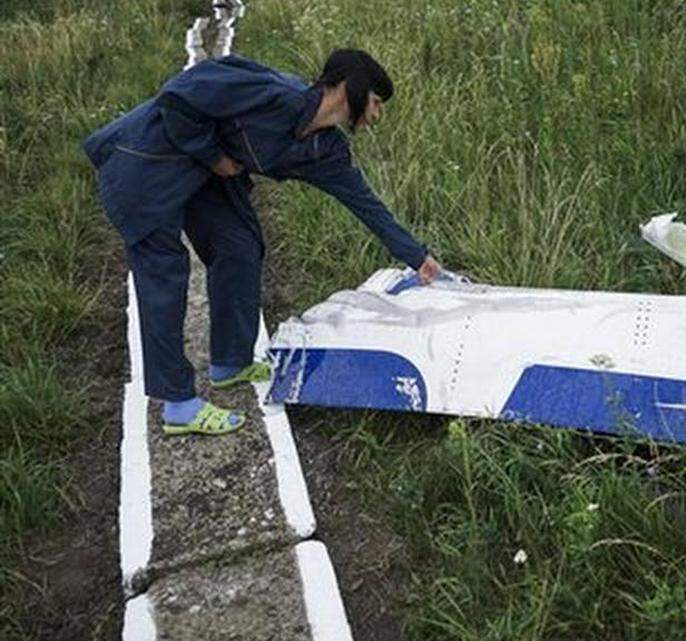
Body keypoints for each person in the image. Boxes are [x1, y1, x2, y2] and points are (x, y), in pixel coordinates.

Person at [83, 49, 442, 436]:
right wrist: (214, 155)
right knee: (164, 277)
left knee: (240, 245)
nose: (376, 115)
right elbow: (179, 96)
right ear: (349, 90)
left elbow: (364, 202)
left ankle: (230, 363)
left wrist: (417, 257)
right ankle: (178, 405)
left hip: (205, 176)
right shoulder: (274, 94)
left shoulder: (326, 149)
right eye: (374, 102)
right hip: (146, 161)